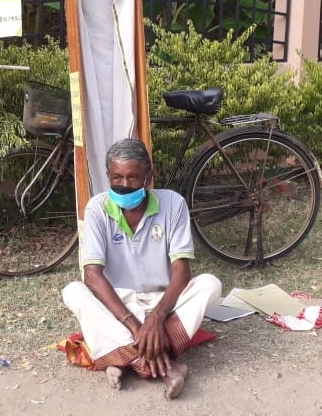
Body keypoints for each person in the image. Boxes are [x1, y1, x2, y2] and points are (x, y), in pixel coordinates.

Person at [61, 138, 222, 399]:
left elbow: (182, 270)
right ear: (108, 176)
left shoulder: (173, 204)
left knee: (210, 284)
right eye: (117, 177)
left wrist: (156, 318)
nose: (124, 185)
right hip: (117, 306)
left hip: (163, 303)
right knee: (73, 291)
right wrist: (137, 327)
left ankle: (120, 357)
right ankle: (165, 364)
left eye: (133, 177)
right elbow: (92, 274)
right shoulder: (97, 209)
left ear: (149, 176)